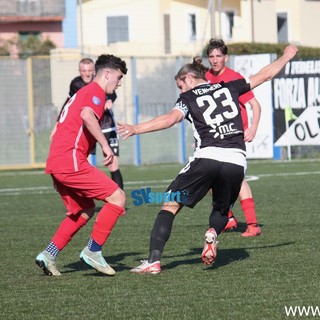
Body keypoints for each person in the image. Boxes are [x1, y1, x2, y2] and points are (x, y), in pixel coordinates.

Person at [118, 44, 298, 274]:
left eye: (180, 85)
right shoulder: (230, 87)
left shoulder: (188, 98)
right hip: (236, 161)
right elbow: (266, 75)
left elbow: (170, 119)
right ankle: (213, 232)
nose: (180, 90)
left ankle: (153, 260)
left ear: (189, 78)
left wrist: (135, 128)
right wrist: (286, 55)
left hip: (207, 157)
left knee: (170, 205)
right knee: (222, 212)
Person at [36, 54, 127, 276]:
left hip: (58, 162)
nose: (120, 82)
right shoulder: (94, 91)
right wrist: (105, 146)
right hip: (71, 160)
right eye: (119, 76)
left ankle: (48, 254)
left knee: (84, 209)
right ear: (107, 74)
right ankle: (93, 251)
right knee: (118, 198)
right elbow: (87, 115)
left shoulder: (80, 93)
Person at [205, 38, 261, 237]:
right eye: (211, 56)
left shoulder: (234, 78)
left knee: (237, 179)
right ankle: (228, 217)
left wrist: (253, 127)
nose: (214, 60)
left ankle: (253, 225)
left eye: (218, 56)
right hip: (214, 137)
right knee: (210, 178)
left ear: (226, 57)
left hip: (235, 137)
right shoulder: (205, 78)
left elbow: (255, 105)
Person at [50, 58, 124, 190]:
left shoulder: (104, 84)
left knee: (112, 163)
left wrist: (109, 101)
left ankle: (118, 200)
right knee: (83, 163)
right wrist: (57, 124)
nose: (87, 74)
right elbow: (70, 104)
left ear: (95, 71)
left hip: (105, 126)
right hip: (86, 129)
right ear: (79, 71)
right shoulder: (77, 84)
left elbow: (112, 95)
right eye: (84, 71)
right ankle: (95, 199)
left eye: (90, 70)